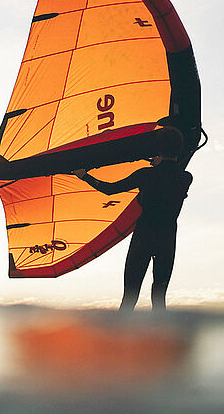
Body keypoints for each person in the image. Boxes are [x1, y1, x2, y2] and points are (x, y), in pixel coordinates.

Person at [72, 127, 192, 312]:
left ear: (158, 149)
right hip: (167, 240)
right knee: (159, 298)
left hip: (144, 237)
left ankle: (120, 337)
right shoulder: (185, 178)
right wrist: (162, 163)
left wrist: (84, 176)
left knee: (130, 295)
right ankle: (161, 338)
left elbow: (109, 189)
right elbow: (171, 172)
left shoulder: (145, 174)